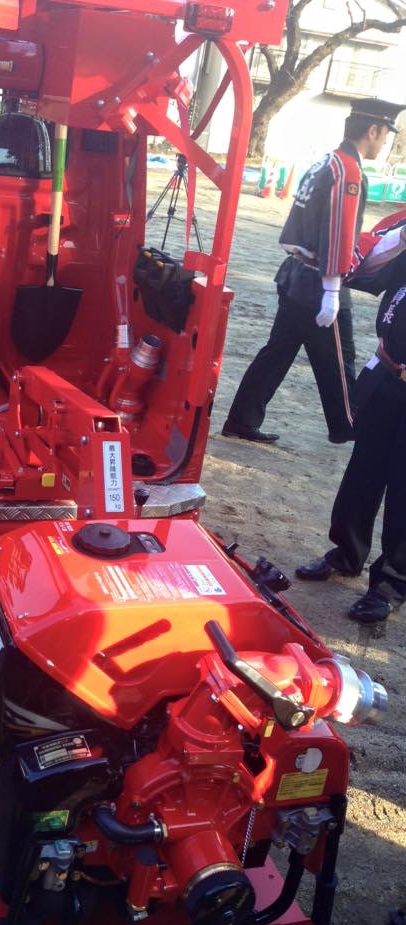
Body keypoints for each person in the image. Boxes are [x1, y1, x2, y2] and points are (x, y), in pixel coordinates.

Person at [222, 98, 404, 444]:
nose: (384, 143)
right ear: (373, 130)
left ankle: (242, 419)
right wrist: (333, 290)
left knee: (277, 352)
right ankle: (349, 426)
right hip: (321, 281)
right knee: (339, 360)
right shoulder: (349, 172)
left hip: (295, 273)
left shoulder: (327, 161)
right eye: (386, 135)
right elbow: (338, 233)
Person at [295, 211, 406, 623]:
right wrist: (400, 239)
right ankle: (346, 551)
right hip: (388, 373)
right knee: (364, 471)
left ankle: (391, 584)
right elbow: (363, 270)